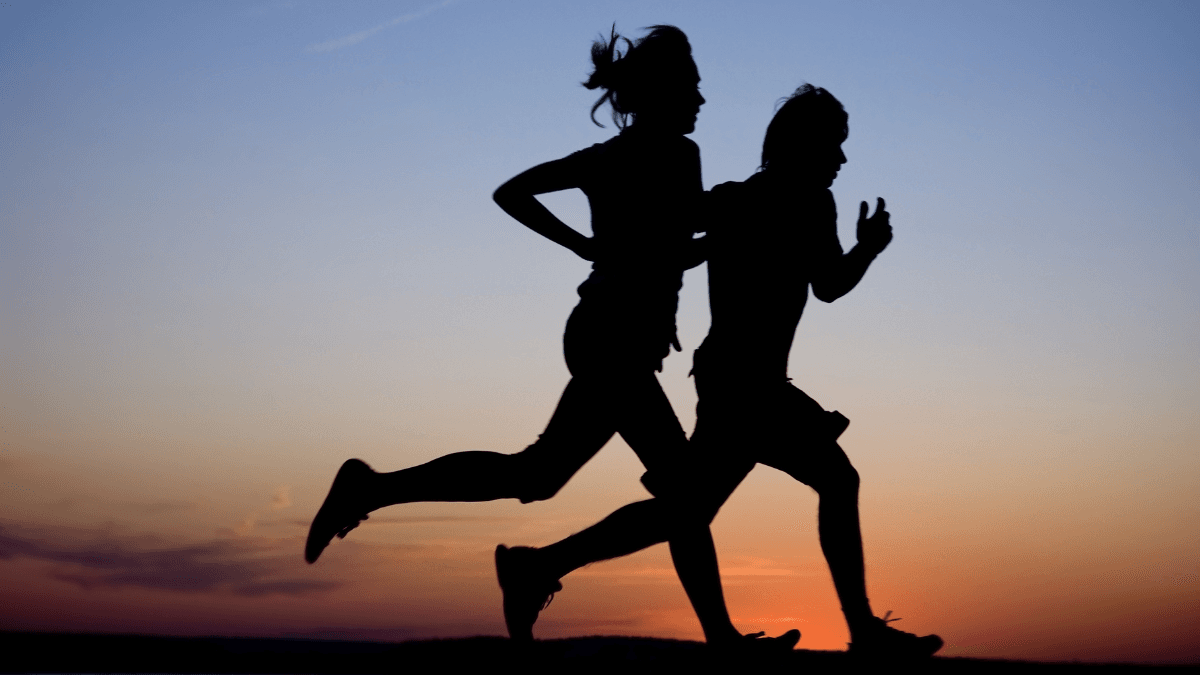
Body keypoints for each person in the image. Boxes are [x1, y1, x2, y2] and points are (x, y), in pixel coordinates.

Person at [304, 25, 793, 650]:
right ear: (663, 93)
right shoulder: (676, 154)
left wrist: (594, 245)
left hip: (605, 334)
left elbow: (528, 197)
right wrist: (740, 208)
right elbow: (678, 234)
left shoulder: (608, 158)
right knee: (684, 493)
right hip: (614, 339)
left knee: (538, 475)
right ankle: (706, 635)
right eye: (693, 88)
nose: (701, 99)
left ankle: (381, 492)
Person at [496, 85, 943, 657]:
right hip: (745, 385)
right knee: (830, 480)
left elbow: (820, 282)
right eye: (834, 144)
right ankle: (863, 631)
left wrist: (865, 249)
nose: (842, 157)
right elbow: (827, 284)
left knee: (685, 510)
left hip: (737, 379)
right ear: (803, 144)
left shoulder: (750, 200)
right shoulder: (786, 201)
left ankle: (540, 566)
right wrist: (869, 250)